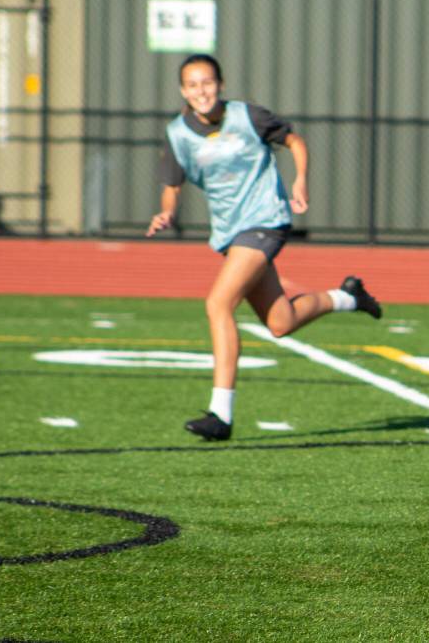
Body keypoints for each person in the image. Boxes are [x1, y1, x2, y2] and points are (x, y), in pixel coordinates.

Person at [147, 54, 382, 442]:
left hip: (265, 222)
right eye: (192, 85)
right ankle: (348, 297)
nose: (200, 91)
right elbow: (172, 186)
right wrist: (166, 213)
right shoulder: (178, 133)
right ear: (182, 91)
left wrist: (300, 180)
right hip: (230, 233)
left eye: (206, 83)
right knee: (281, 323)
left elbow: (294, 140)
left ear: (220, 84)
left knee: (217, 304)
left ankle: (220, 414)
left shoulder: (248, 116)